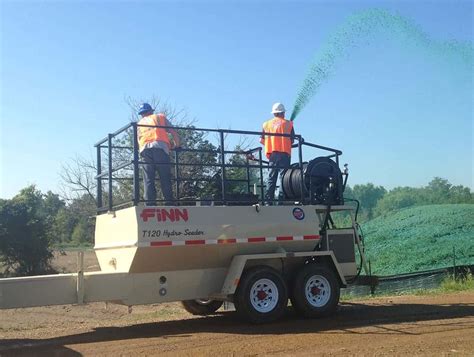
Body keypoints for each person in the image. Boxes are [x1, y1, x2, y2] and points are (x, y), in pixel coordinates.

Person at [137, 103, 180, 206]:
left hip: (144, 150)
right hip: (159, 148)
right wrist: (177, 145)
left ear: (142, 113)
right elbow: (173, 132)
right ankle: (169, 202)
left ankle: (150, 203)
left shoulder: (139, 123)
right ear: (151, 111)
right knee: (165, 176)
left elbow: (138, 140)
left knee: (148, 178)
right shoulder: (159, 117)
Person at [260, 102, 294, 205]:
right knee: (283, 178)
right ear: (283, 112)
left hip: (273, 155)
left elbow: (262, 140)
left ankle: (268, 201)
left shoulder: (266, 124)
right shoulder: (289, 124)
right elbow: (292, 140)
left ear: (274, 113)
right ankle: (281, 201)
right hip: (284, 154)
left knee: (271, 178)